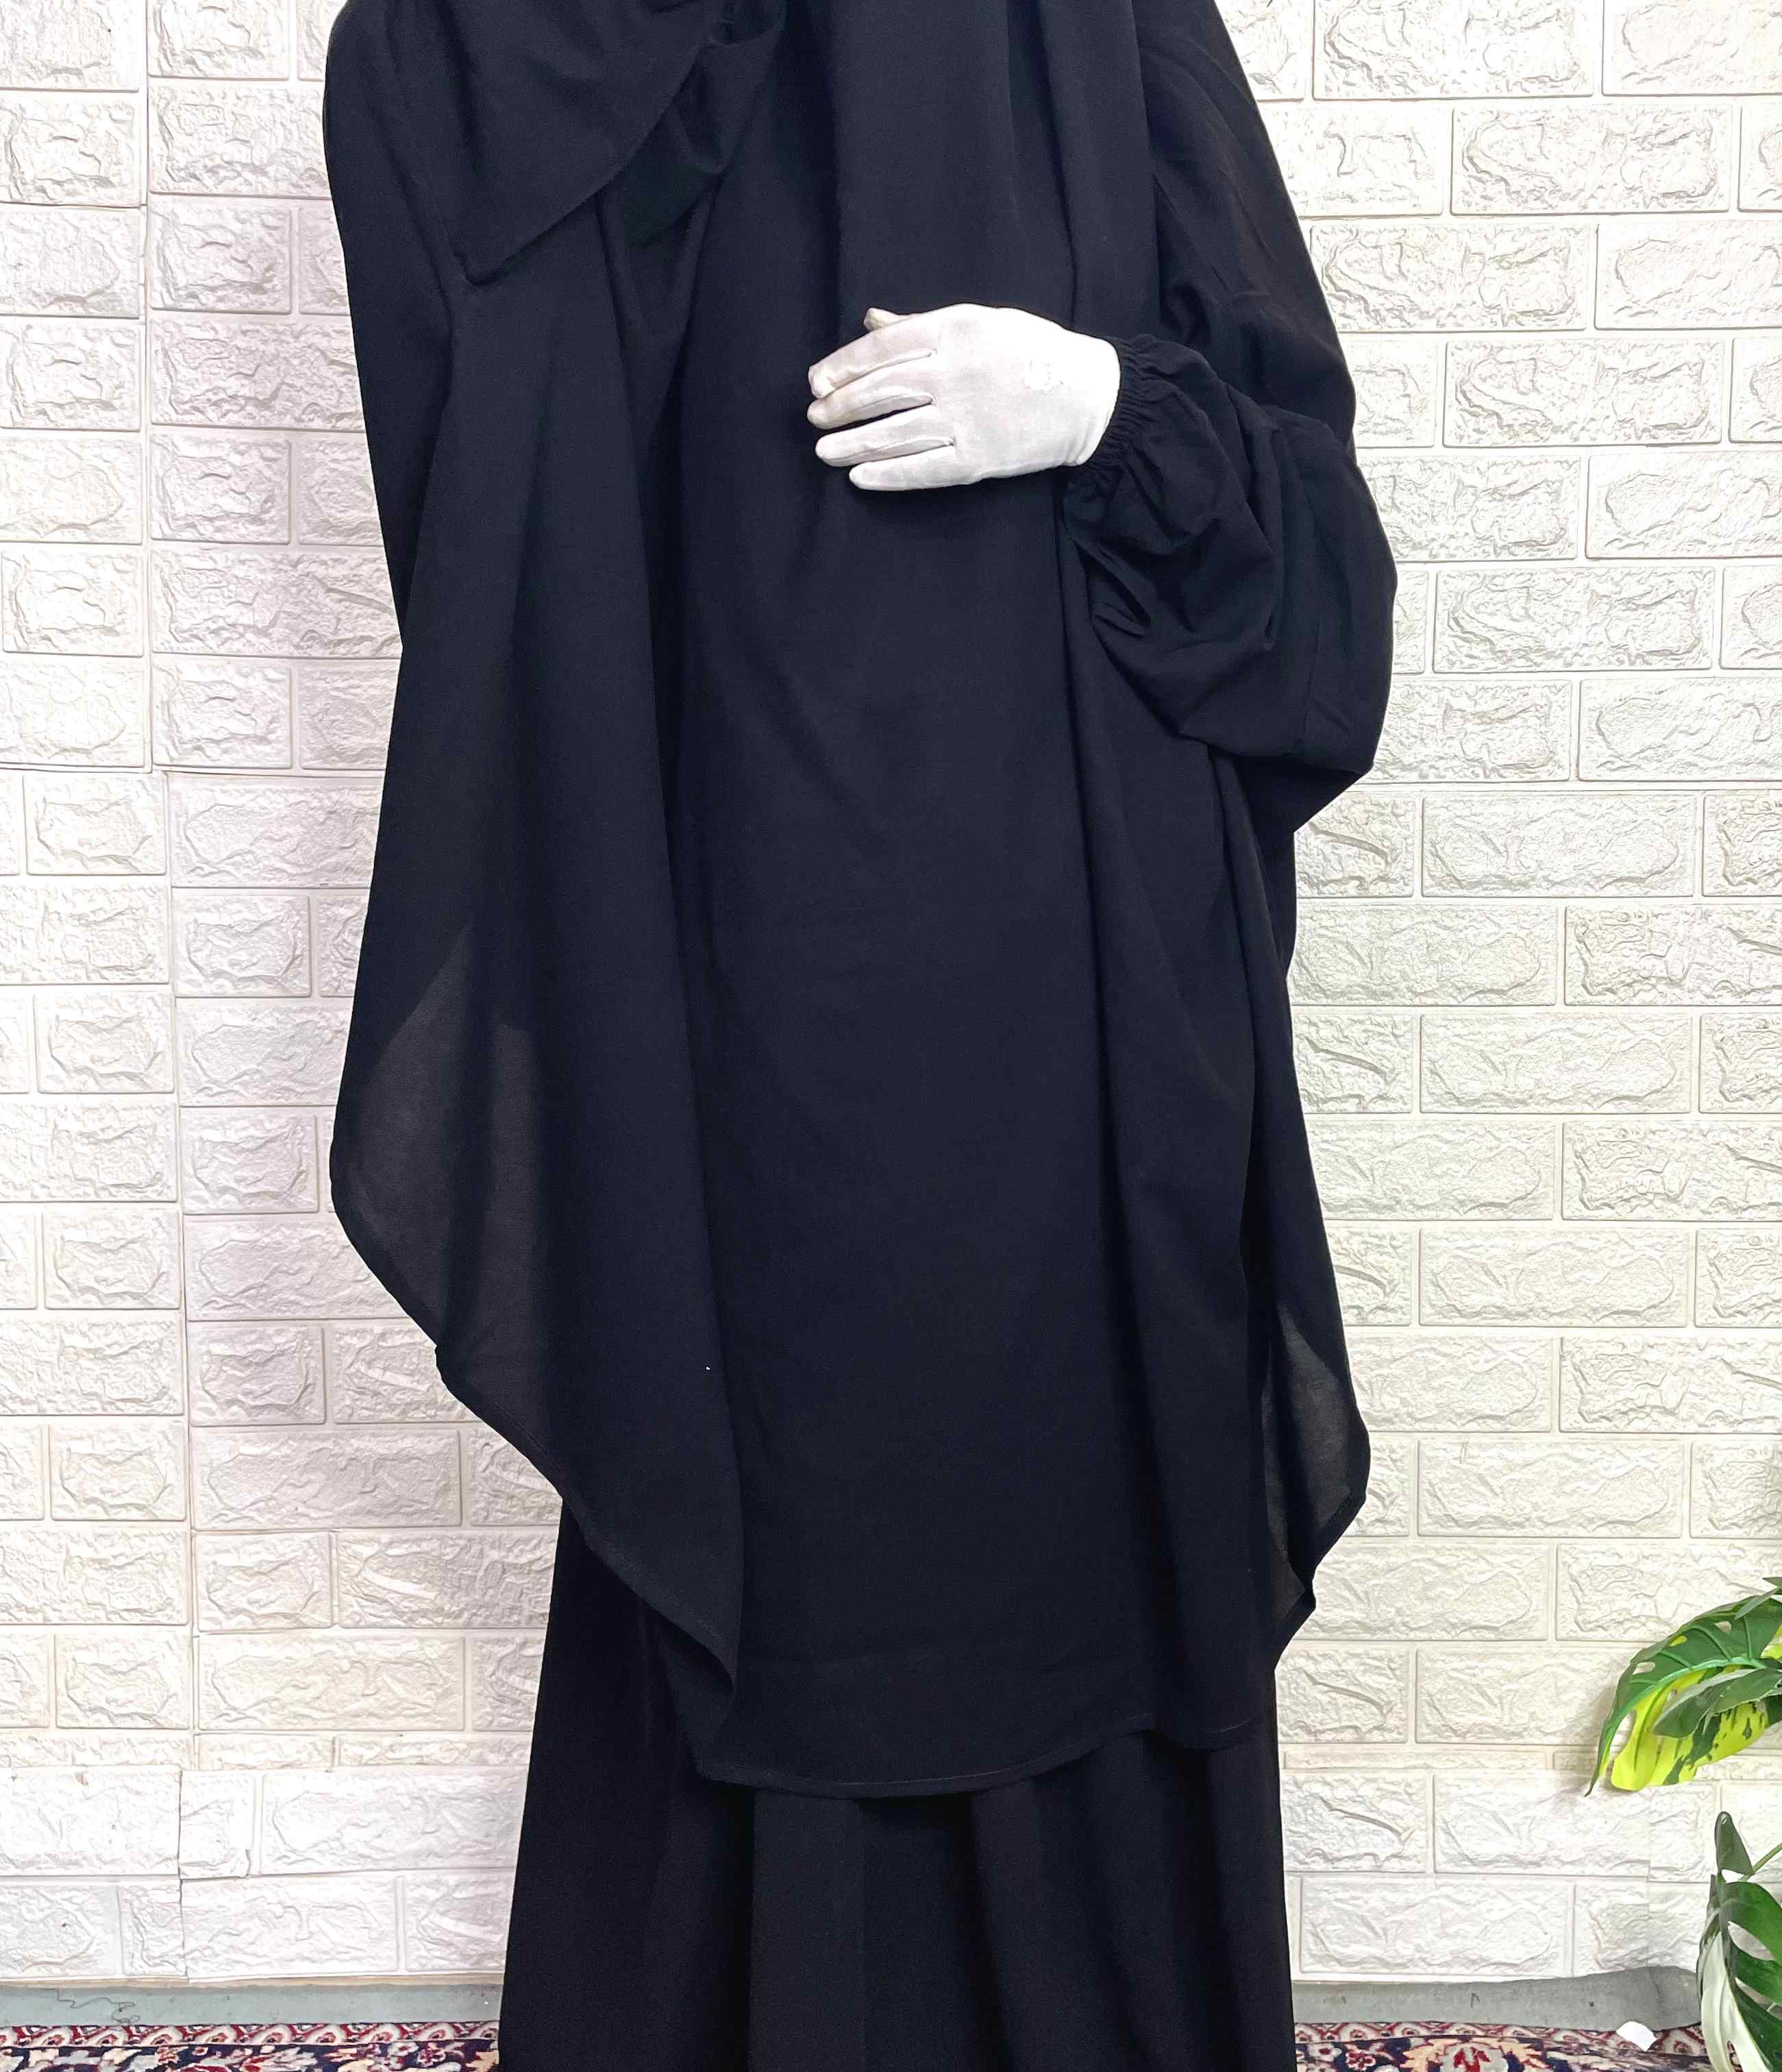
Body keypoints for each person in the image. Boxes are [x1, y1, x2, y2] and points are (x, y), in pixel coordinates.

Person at [320, 0, 1396, 2057]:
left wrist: (1101, 405)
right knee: (774, 1483)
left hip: (1078, 959)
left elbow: (1313, 573)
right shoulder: (558, 45)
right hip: (728, 935)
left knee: (1063, 1466)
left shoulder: (1098, 27)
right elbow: (432, 148)